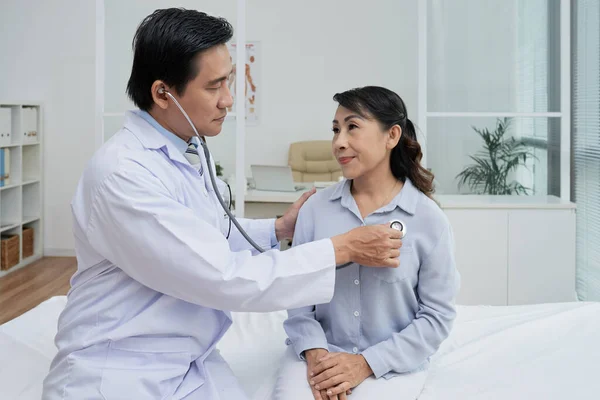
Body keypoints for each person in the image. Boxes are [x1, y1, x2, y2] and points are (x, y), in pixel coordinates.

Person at [41, 10, 404, 400]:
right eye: (214, 87)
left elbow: (209, 234)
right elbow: (222, 276)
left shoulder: (183, 152)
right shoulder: (122, 175)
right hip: (123, 371)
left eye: (228, 81)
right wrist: (343, 248)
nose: (229, 100)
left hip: (187, 360)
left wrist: (280, 228)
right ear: (163, 93)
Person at [275, 86, 461, 400]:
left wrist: (365, 363)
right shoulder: (315, 211)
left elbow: (436, 317)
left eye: (353, 127)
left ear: (392, 136)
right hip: (319, 358)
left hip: (391, 365)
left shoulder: (429, 220)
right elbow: (298, 302)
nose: (339, 142)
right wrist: (317, 355)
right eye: (335, 130)